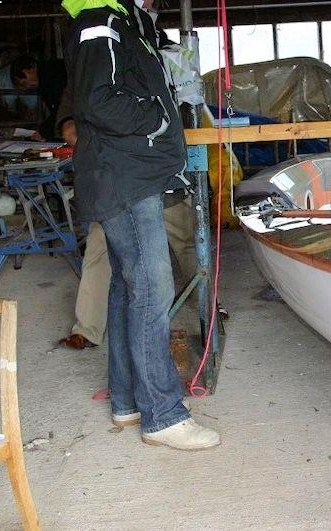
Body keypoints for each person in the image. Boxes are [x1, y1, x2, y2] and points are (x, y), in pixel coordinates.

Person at [62, 0, 219, 449]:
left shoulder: (128, 24)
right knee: (151, 290)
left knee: (128, 289)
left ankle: (128, 400)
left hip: (130, 174)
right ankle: (162, 414)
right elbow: (98, 101)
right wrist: (158, 118)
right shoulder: (101, 21)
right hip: (124, 177)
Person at [10, 55, 68, 140]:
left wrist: (43, 131)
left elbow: (60, 109)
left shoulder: (54, 76)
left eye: (24, 83)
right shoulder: (46, 80)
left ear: (27, 71)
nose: (28, 87)